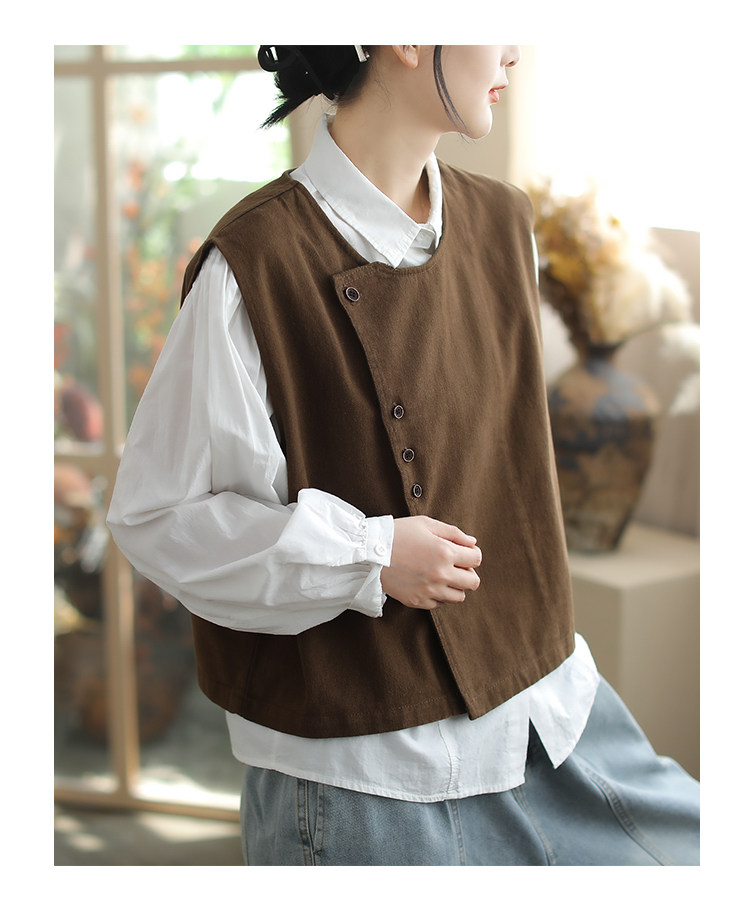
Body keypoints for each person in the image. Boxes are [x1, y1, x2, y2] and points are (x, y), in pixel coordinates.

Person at [107, 45, 700, 866]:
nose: (514, 49)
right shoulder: (253, 264)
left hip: (555, 718)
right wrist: (370, 554)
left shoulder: (504, 223)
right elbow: (158, 515)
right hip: (366, 779)